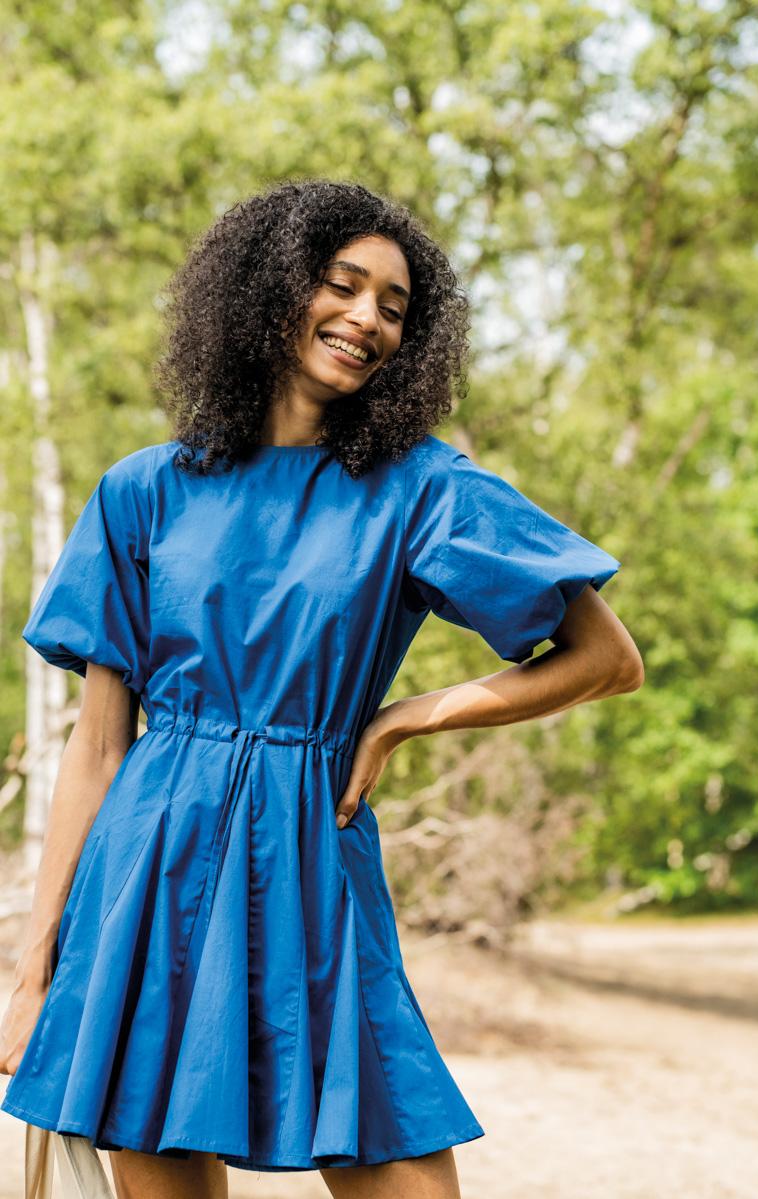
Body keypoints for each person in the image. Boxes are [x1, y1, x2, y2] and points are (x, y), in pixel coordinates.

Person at [0, 178, 643, 1199]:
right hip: (150, 873)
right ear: (268, 290)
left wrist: (406, 716)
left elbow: (605, 657)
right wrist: (33, 974)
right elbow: (98, 749)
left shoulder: (424, 486)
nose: (366, 320)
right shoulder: (143, 489)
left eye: (394, 306)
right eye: (342, 286)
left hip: (313, 853)